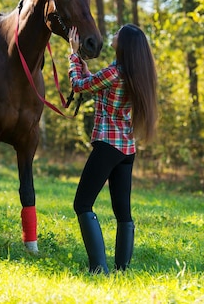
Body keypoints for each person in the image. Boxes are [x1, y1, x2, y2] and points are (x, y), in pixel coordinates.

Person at [68, 23, 157, 274]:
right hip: (127, 149)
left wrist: (73, 55)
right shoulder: (136, 74)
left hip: (108, 146)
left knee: (83, 204)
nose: (114, 34)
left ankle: (99, 268)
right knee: (123, 212)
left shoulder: (114, 73)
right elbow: (94, 82)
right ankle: (122, 269)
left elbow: (79, 86)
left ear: (125, 44)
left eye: (119, 33)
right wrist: (85, 70)